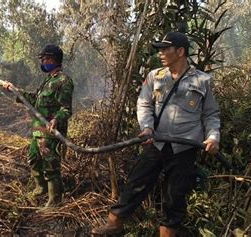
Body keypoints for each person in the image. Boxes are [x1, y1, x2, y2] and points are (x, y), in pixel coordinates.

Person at [91, 32, 220, 236]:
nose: (160, 53)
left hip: (185, 148)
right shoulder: (155, 76)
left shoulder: (203, 80)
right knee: (136, 182)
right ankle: (114, 224)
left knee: (175, 194)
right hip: (156, 141)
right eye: (159, 49)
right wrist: (147, 127)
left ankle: (166, 233)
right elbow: (144, 103)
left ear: (180, 51)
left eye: (165, 49)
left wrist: (213, 137)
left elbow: (211, 114)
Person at [3, 44, 74, 208]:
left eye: (45, 59)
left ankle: (55, 200)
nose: (43, 62)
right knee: (34, 158)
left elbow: (66, 109)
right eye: (42, 59)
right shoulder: (48, 80)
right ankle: (40, 188)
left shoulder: (64, 81)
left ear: (54, 60)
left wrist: (56, 119)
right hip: (38, 129)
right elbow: (34, 99)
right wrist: (14, 90)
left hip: (51, 131)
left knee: (51, 165)